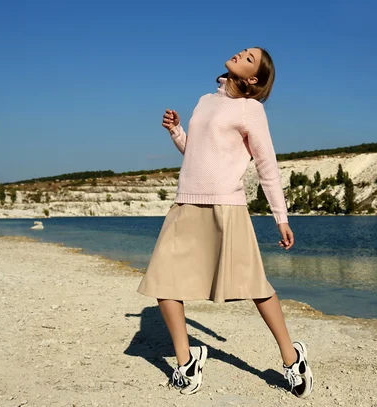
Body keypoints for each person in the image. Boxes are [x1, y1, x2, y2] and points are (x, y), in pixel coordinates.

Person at [137, 47, 313, 398]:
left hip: (226, 207)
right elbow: (198, 152)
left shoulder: (252, 110)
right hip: (186, 202)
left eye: (249, 58)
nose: (241, 54)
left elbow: (267, 166)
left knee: (254, 286)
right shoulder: (205, 100)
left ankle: (292, 359)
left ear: (252, 79)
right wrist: (176, 132)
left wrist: (282, 218)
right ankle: (187, 361)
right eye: (244, 51)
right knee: (163, 282)